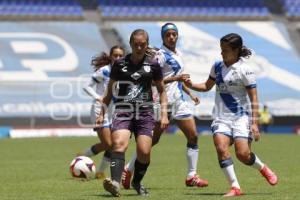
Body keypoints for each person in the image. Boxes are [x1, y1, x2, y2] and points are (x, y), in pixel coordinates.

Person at [185, 33, 278, 197]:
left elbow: (254, 98)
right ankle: (235, 187)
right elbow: (207, 86)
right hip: (221, 117)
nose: (222, 53)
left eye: (225, 50)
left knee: (243, 154)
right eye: (221, 49)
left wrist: (254, 123)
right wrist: (191, 84)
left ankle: (262, 167)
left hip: (241, 118)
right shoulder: (217, 66)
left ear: (236, 51)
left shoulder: (245, 70)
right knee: (221, 148)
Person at [122, 22, 208, 189]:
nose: (171, 37)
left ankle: (192, 175)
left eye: (173, 34)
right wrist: (176, 79)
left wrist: (190, 93)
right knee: (151, 141)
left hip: (179, 101)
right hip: (163, 102)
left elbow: (178, 77)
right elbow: (153, 80)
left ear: (177, 35)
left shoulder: (179, 54)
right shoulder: (160, 55)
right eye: (167, 34)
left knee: (193, 136)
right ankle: (128, 169)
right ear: (163, 37)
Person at [97, 29, 169, 197]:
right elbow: (109, 92)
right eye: (135, 44)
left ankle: (136, 181)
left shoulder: (153, 65)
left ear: (147, 45)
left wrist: (164, 114)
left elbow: (162, 91)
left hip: (145, 112)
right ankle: (115, 183)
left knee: (144, 152)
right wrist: (102, 113)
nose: (139, 47)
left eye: (142, 44)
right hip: (124, 110)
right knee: (119, 144)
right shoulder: (120, 64)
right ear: (130, 44)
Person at [79, 46, 125, 179]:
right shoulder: (104, 71)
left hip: (114, 112)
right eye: (115, 55)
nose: (117, 58)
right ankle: (82, 157)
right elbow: (86, 86)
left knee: (113, 145)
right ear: (110, 56)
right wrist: (97, 97)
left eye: (120, 55)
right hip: (100, 110)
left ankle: (100, 172)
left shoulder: (124, 72)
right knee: (108, 144)